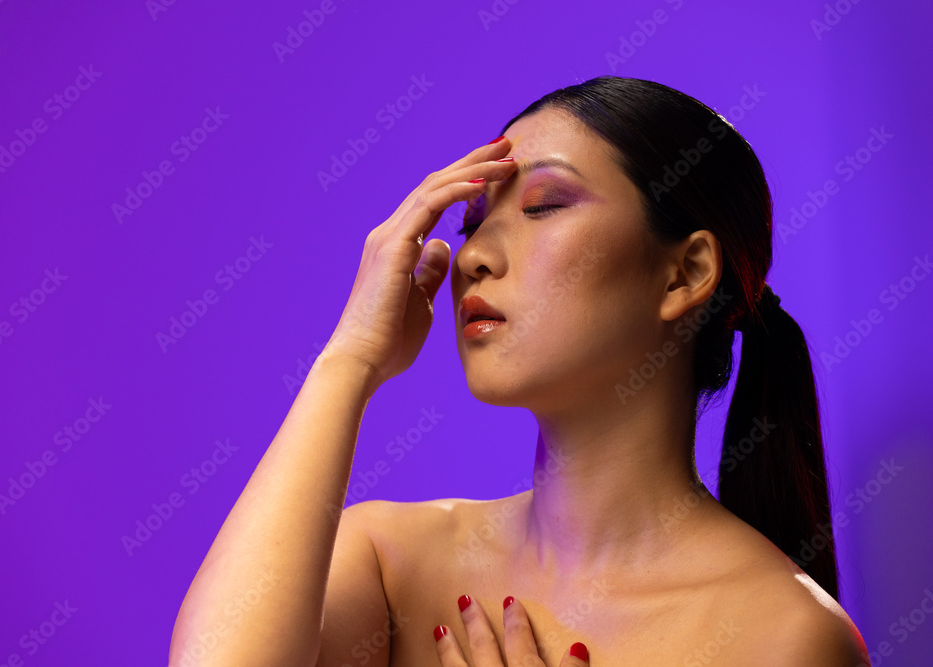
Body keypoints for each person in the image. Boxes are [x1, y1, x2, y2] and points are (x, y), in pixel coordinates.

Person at [169, 76, 870, 666]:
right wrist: (348, 361)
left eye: (543, 206)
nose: (472, 256)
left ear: (683, 273)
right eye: (473, 220)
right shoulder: (389, 562)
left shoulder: (785, 636)